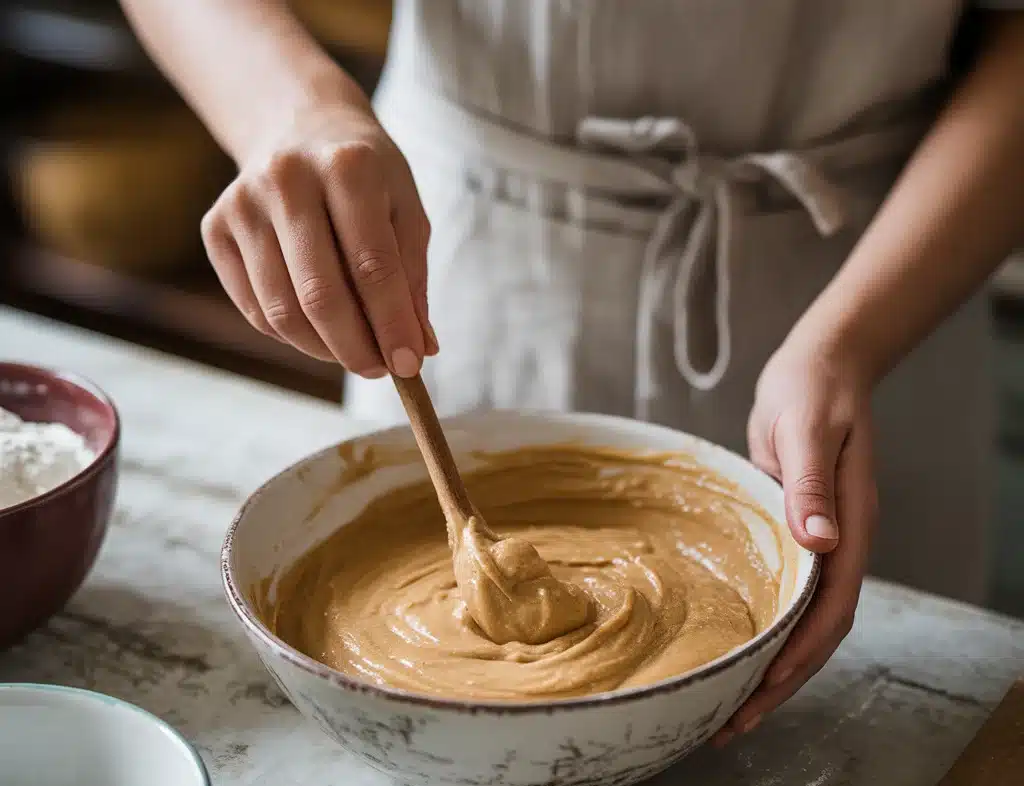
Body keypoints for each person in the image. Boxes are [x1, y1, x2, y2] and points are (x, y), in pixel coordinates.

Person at [119, 1, 1024, 740]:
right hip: (457, 250)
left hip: (879, 270)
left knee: (872, 749)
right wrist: (290, 107)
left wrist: (851, 341)